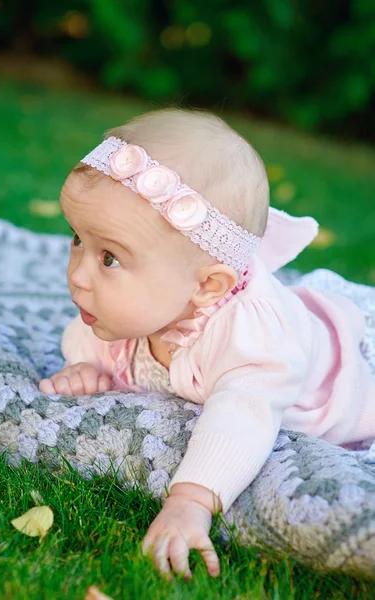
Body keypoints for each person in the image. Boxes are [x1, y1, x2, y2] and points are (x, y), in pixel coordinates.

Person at [39, 109, 375, 581]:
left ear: (208, 288)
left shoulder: (252, 342)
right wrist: (87, 365)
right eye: (78, 239)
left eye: (109, 257)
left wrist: (192, 499)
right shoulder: (140, 304)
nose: (76, 274)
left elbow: (243, 415)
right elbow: (90, 336)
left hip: (337, 376)